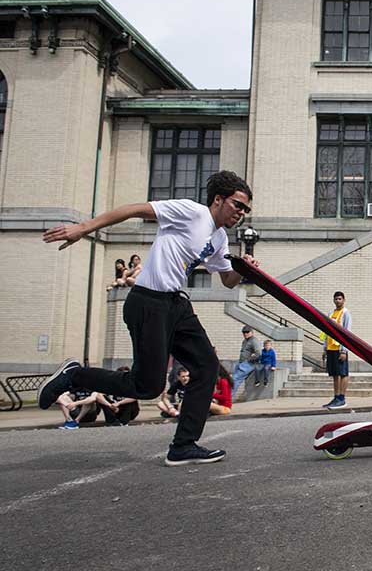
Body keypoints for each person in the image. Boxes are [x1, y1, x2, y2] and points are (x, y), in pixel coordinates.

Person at [39, 170, 257, 466]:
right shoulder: (191, 212)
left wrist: (244, 268)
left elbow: (228, 280)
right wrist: (84, 227)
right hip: (149, 301)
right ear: (218, 199)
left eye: (245, 209)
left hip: (176, 305)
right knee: (148, 387)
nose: (241, 213)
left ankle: (183, 445)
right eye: (237, 205)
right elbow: (136, 208)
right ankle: (74, 374)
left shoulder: (218, 238)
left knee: (207, 366)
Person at [321, 291, 352, 409]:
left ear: (344, 300)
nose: (338, 301)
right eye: (336, 299)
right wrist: (324, 348)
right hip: (330, 348)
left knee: (343, 373)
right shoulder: (331, 313)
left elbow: (346, 333)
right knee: (334, 374)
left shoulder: (346, 313)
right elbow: (326, 332)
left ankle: (342, 398)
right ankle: (336, 397)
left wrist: (344, 350)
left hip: (340, 349)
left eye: (340, 299)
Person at [232, 325, 261, 397]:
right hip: (241, 363)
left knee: (235, 379)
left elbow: (258, 353)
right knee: (232, 380)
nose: (245, 334)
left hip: (248, 364)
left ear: (252, 332)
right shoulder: (245, 341)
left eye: (247, 332)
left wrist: (249, 359)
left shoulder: (254, 341)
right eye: (244, 332)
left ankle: (228, 399)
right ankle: (228, 398)